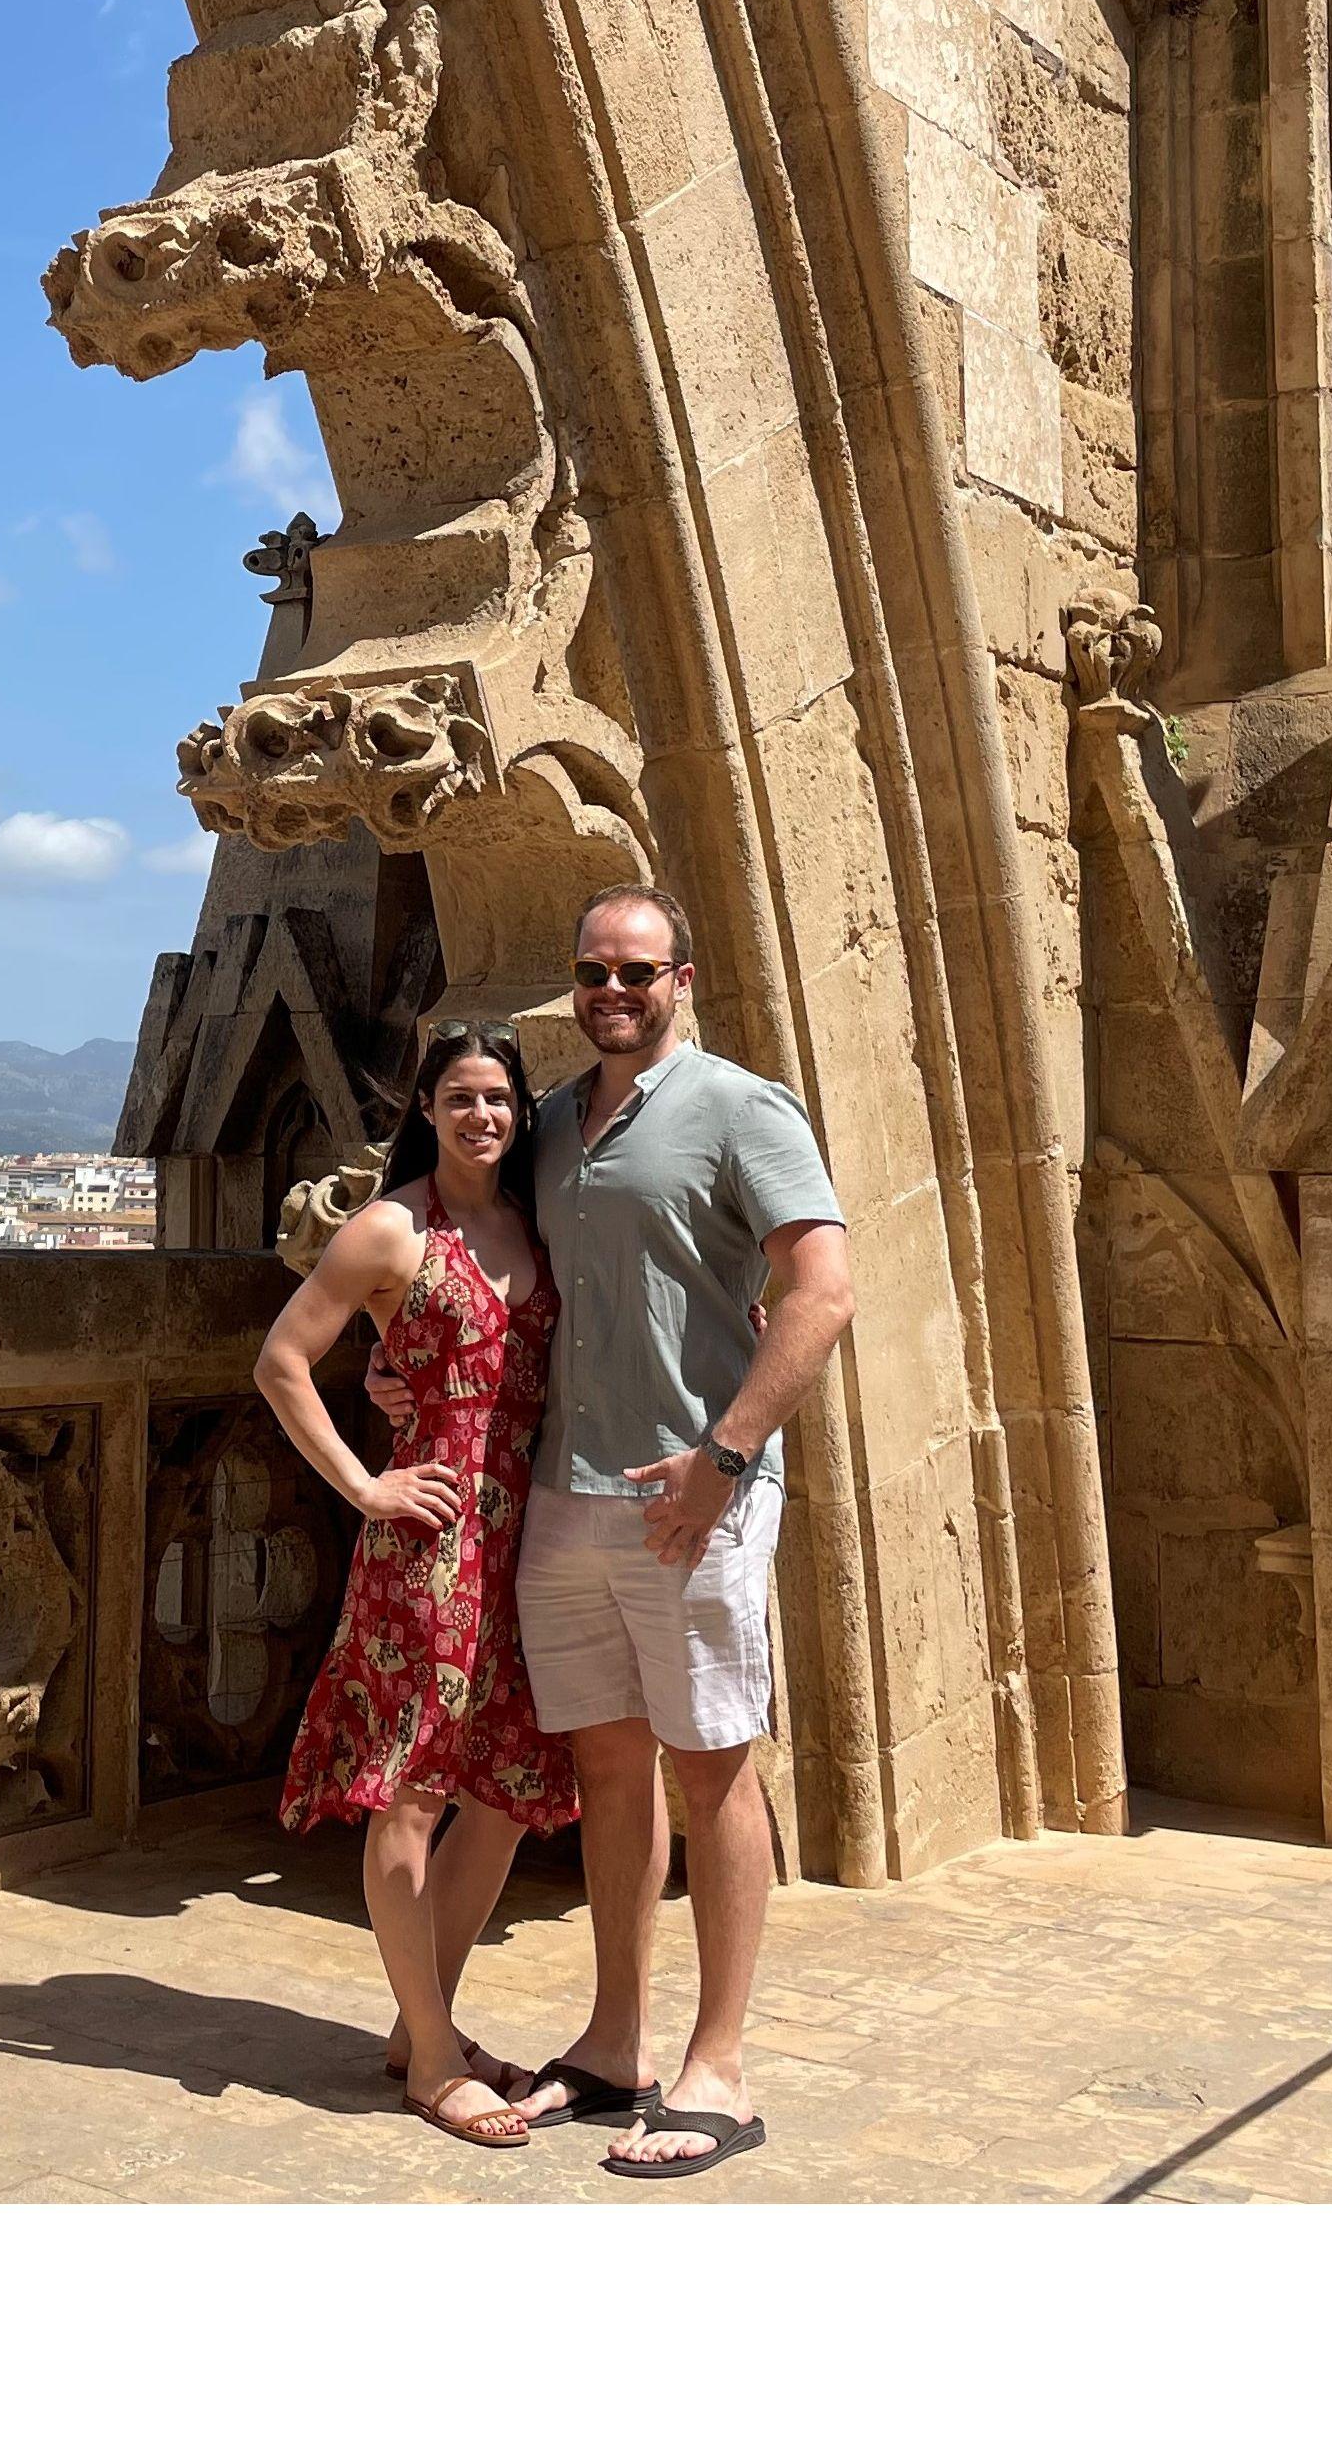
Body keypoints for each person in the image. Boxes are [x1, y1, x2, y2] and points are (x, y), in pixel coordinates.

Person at [370, 883, 853, 2180]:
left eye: (636, 969)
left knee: (714, 1770)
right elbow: (451, 1241)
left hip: (690, 1500)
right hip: (562, 1496)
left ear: (682, 977)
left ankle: (720, 2068)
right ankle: (613, 2039)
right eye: (591, 971)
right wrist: (391, 1352)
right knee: (605, 1771)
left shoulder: (741, 1107)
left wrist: (725, 1453)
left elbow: (821, 1289)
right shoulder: (541, 1125)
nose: (611, 990)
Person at [255, 1020, 579, 2151]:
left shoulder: (529, 1221)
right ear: (427, 1108)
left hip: (528, 1534)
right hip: (429, 1549)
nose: (482, 1114)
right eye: (460, 1095)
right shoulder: (393, 1227)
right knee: (411, 1791)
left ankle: (416, 2025)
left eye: (498, 1097)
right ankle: (434, 2058)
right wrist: (364, 1486)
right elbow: (281, 1358)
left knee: (499, 1785)